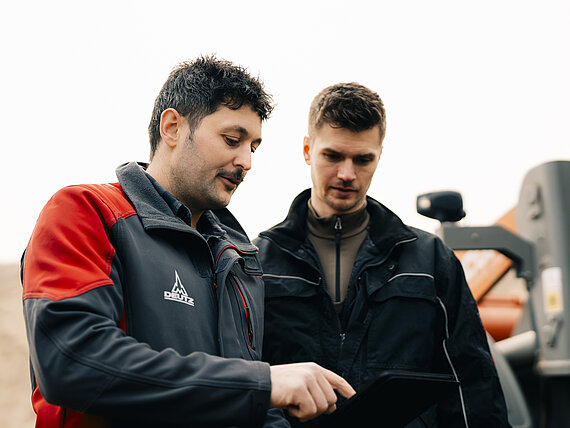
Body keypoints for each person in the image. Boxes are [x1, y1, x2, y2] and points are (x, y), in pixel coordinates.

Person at [20, 56, 354, 428]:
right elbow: (72, 362)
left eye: (253, 147)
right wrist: (262, 384)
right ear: (173, 128)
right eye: (232, 140)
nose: (246, 161)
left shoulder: (241, 258)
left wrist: (267, 399)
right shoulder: (87, 212)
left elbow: (244, 401)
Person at [254, 82, 510, 426]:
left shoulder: (430, 260)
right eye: (333, 156)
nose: (347, 174)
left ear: (379, 156)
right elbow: (246, 382)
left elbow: (471, 382)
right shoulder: (258, 261)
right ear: (307, 150)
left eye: (363, 159)